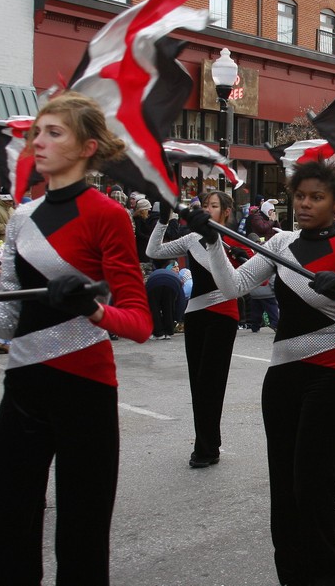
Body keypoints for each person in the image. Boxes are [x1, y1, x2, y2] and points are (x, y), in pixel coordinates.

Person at [0, 92, 151, 585]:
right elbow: (8, 320)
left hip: (86, 391)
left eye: (55, 133)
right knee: (3, 525)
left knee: (81, 537)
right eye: (37, 133)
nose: (39, 142)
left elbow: (139, 323)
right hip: (24, 386)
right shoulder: (21, 219)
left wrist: (93, 309)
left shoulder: (108, 216)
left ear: (87, 147)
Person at [190, 161, 335, 586]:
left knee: (313, 485)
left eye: (317, 197)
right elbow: (232, 287)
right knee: (283, 488)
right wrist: (211, 243)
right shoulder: (279, 243)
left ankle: (325, 573)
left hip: (333, 377)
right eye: (300, 195)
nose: (305, 203)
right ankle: (292, 575)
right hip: (282, 379)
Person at [145, 190, 253, 469]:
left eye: (213, 206)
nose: (206, 209)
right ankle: (205, 443)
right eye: (204, 205)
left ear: (226, 212)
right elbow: (153, 251)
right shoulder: (193, 239)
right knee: (198, 383)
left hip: (223, 315)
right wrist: (162, 220)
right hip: (195, 316)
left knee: (210, 383)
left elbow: (240, 281)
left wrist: (240, 255)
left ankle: (207, 447)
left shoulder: (235, 241)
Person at [145, 259, 186, 340]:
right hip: (172, 284)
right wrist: (177, 318)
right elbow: (181, 301)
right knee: (168, 307)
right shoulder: (178, 278)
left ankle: (159, 333)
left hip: (154, 284)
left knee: (154, 309)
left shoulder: (155, 273)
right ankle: (168, 332)